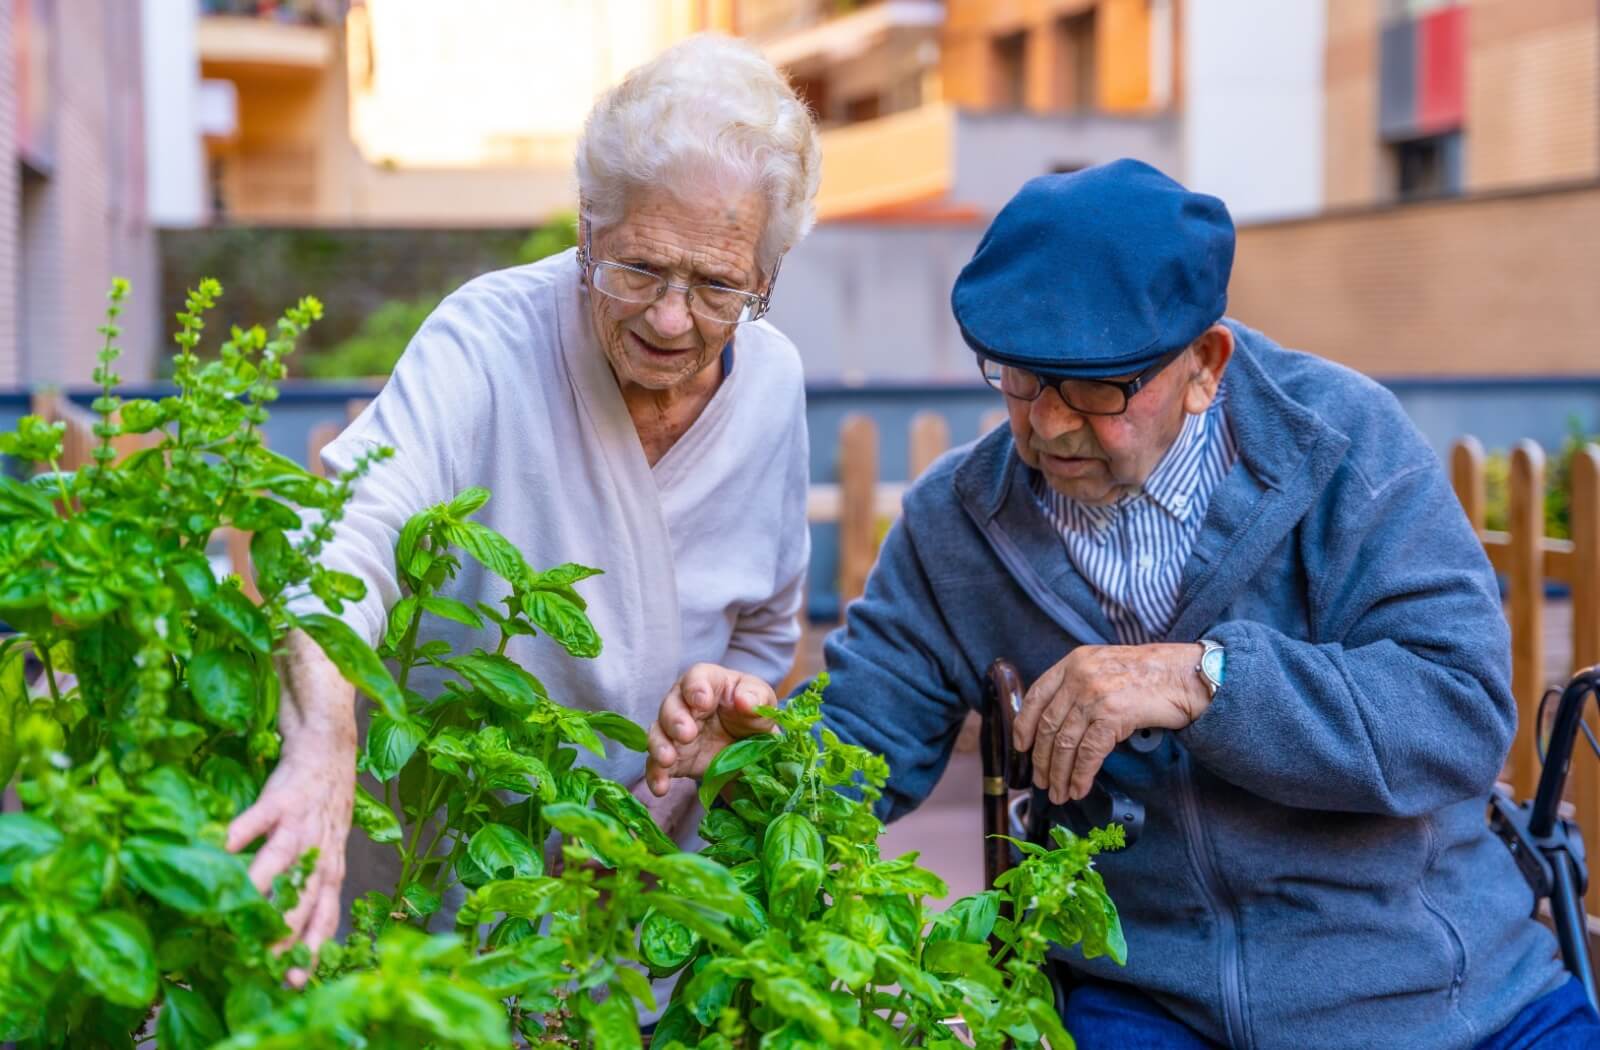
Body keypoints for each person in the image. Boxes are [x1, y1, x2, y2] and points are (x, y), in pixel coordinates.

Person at [645, 159, 1600, 1048]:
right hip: (1145, 999)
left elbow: (1459, 711)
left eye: (1100, 389)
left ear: (1207, 365)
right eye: (1019, 377)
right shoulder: (958, 521)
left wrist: (1201, 677)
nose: (1050, 423)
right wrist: (765, 758)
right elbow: (863, 744)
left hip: (1435, 993)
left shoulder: (1344, 447)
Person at [225, 33, 821, 956]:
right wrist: (322, 742)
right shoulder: (488, 341)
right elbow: (342, 530)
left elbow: (767, 623)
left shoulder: (774, 384)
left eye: (715, 286)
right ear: (587, 227)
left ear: (765, 279)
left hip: (637, 887)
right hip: (436, 869)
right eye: (638, 268)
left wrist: (718, 719)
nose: (670, 318)